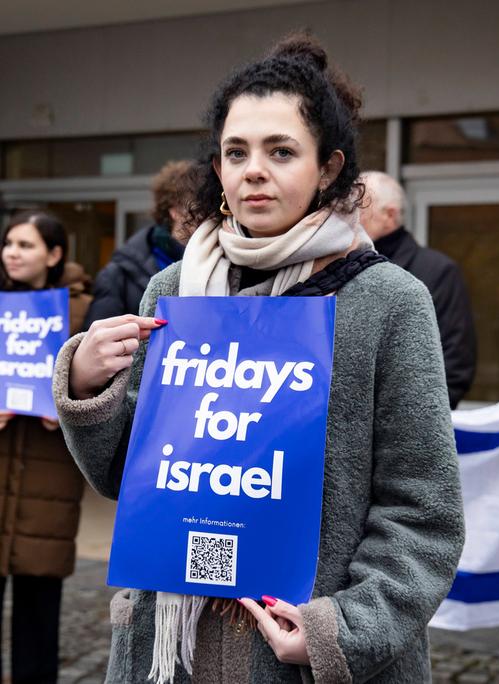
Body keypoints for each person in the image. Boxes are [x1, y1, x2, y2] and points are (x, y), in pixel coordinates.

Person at [52, 34, 464, 683]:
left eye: (280, 151)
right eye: (235, 151)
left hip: (300, 661)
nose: (253, 170)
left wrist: (341, 630)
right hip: (169, 656)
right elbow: (127, 481)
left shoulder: (386, 301)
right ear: (215, 168)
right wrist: (86, 384)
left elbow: (423, 513)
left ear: (327, 168)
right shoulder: (174, 291)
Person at [0, 210, 91, 684]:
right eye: (9, 243)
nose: (13, 253)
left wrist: (69, 406)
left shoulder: (83, 312)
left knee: (39, 607)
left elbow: (104, 390)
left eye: (27, 245)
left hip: (47, 477)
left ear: (54, 255)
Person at [359, 170, 477, 409]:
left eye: (358, 208)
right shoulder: (340, 270)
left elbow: (455, 366)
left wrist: (411, 422)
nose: (346, 217)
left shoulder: (438, 271)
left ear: (389, 215)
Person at [84, 160, 193, 327]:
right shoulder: (119, 274)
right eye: (200, 203)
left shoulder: (220, 264)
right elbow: (99, 342)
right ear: (175, 210)